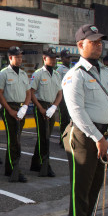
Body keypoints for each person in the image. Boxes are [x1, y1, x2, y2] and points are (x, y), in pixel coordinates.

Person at [61, 24, 108, 216]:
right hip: (85, 138)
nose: (98, 45)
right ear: (80, 45)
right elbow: (76, 112)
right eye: (93, 42)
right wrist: (99, 138)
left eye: (100, 42)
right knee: (81, 189)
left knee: (95, 186)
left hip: (105, 137)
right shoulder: (74, 75)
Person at [0, 45, 31, 182]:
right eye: (17, 56)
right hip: (9, 108)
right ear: (10, 57)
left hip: (21, 109)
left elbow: (28, 93)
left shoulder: (23, 74)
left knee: (16, 139)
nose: (20, 59)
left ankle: (10, 168)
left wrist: (25, 107)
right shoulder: (4, 73)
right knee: (13, 140)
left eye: (20, 56)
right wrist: (9, 110)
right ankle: (14, 169)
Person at [29, 46, 63, 176]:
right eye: (51, 58)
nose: (53, 61)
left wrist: (54, 106)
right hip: (41, 106)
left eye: (55, 58)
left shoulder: (56, 74)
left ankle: (35, 163)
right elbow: (32, 93)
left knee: (45, 136)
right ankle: (45, 165)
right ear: (44, 58)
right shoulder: (37, 74)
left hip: (52, 106)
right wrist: (40, 108)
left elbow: (60, 93)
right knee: (44, 137)